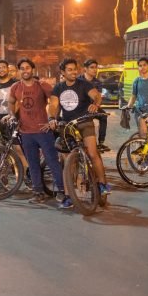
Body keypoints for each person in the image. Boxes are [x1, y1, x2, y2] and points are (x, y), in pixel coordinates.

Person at [7, 58, 66, 206]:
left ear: (32, 69)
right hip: (25, 132)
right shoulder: (15, 87)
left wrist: (52, 119)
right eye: (22, 68)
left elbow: (54, 102)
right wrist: (13, 116)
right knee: (32, 164)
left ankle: (61, 191)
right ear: (19, 70)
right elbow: (11, 102)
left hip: (43, 130)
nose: (25, 70)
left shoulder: (42, 85)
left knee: (53, 162)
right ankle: (38, 192)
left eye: (27, 68)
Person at [49, 58, 110, 198]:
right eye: (69, 70)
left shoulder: (84, 84)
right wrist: (52, 118)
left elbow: (96, 95)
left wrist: (95, 104)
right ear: (63, 72)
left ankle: (102, 184)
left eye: (75, 69)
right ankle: (68, 195)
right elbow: (53, 106)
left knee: (93, 154)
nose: (73, 72)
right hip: (68, 125)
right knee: (67, 162)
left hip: (84, 122)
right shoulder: (58, 88)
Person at [125, 57, 148, 138]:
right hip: (140, 112)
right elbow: (133, 96)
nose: (142, 67)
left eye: (144, 65)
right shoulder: (136, 81)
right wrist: (128, 107)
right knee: (143, 137)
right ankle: (144, 149)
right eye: (140, 66)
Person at [80, 59, 109, 151]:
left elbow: (98, 97)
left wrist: (96, 105)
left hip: (93, 107)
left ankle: (101, 142)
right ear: (85, 69)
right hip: (80, 109)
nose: (94, 70)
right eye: (92, 67)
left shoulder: (98, 82)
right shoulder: (78, 80)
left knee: (104, 116)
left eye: (96, 67)